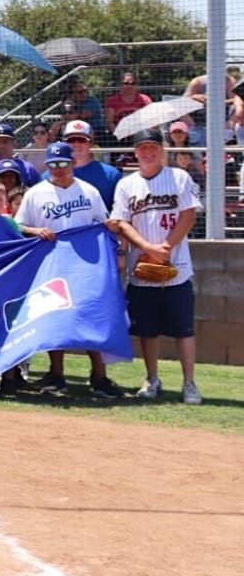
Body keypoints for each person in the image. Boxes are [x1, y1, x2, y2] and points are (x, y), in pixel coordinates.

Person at [14, 141, 122, 399]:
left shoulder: (89, 191)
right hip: (52, 266)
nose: (58, 169)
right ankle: (57, 375)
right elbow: (18, 225)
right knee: (57, 320)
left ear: (73, 163)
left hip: (87, 266)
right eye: (53, 165)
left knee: (91, 318)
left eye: (63, 163)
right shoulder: (36, 193)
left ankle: (99, 377)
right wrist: (34, 230)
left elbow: (103, 224)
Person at [107, 128, 203, 405]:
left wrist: (166, 248)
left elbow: (188, 216)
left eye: (152, 147)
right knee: (147, 330)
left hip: (178, 265)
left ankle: (189, 383)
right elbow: (120, 222)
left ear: (161, 149)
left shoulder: (178, 177)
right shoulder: (127, 185)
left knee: (183, 329)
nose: (147, 152)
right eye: (142, 148)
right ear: (135, 152)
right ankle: (152, 378)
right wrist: (148, 249)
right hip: (142, 268)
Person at [53, 120, 123, 211]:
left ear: (91, 143)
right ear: (63, 143)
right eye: (71, 140)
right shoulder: (51, 176)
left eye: (82, 140)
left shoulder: (111, 175)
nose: (76, 144)